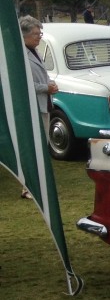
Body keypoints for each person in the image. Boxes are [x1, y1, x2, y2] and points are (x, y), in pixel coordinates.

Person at [19, 15, 59, 199]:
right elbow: (24, 84)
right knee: (33, 148)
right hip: (32, 108)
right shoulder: (21, 55)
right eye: (36, 34)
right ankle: (28, 187)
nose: (39, 37)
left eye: (40, 33)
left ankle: (38, 184)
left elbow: (42, 74)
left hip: (44, 105)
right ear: (25, 35)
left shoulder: (34, 51)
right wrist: (45, 88)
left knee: (43, 146)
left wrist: (51, 84)